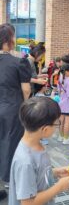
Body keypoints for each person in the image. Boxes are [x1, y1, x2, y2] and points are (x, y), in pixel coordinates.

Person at [9, 97, 69, 205]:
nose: (56, 127)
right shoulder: (25, 161)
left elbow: (36, 175)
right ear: (44, 129)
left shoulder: (36, 145)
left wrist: (55, 172)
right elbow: (27, 203)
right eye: (56, 124)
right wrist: (59, 187)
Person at [0, 24, 31, 187]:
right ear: (9, 40)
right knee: (11, 143)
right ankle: (9, 181)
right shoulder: (19, 61)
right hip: (12, 109)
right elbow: (26, 90)